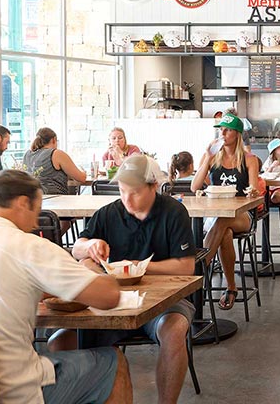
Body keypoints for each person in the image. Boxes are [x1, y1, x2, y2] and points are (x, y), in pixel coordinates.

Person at [0, 171, 132, 404]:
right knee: (113, 363)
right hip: (10, 391)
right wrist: (92, 268)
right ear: (23, 203)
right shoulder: (28, 246)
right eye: (37, 210)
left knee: (60, 348)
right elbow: (108, 296)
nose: (35, 223)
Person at [55, 154, 196, 404]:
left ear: (154, 187)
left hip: (165, 300)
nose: (127, 199)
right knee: (60, 340)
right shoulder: (109, 213)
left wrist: (139, 268)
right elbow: (77, 248)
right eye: (121, 191)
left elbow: (186, 267)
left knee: (174, 330)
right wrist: (90, 246)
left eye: (135, 192)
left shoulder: (174, 212)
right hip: (114, 300)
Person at [191, 113, 259, 310]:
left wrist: (252, 191)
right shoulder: (212, 157)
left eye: (227, 130)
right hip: (216, 216)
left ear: (237, 134)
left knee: (223, 220)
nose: (222, 133)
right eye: (221, 129)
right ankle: (231, 288)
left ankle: (199, 270)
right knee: (225, 233)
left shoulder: (249, 159)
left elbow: (254, 190)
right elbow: (195, 186)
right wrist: (207, 158)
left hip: (242, 215)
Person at [23, 127, 87, 195]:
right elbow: (81, 178)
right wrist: (84, 172)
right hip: (55, 198)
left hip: (34, 198)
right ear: (54, 140)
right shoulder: (56, 154)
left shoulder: (27, 154)